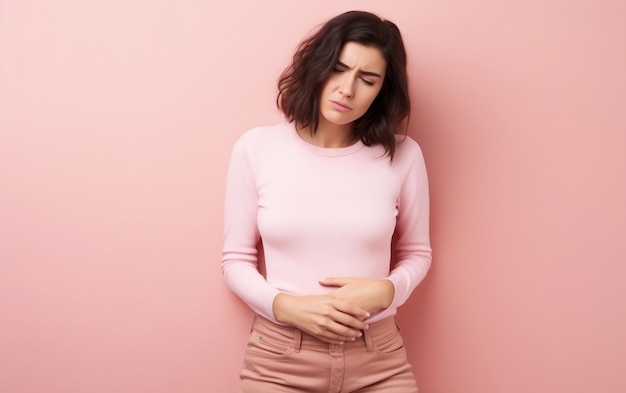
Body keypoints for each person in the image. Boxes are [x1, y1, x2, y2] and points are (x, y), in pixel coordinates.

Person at [221, 10, 431, 393]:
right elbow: (235, 260)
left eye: (367, 80)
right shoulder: (257, 148)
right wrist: (286, 307)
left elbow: (417, 252)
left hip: (379, 359)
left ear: (382, 90)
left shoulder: (404, 155)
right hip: (280, 361)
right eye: (338, 69)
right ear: (317, 68)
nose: (347, 90)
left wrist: (388, 289)